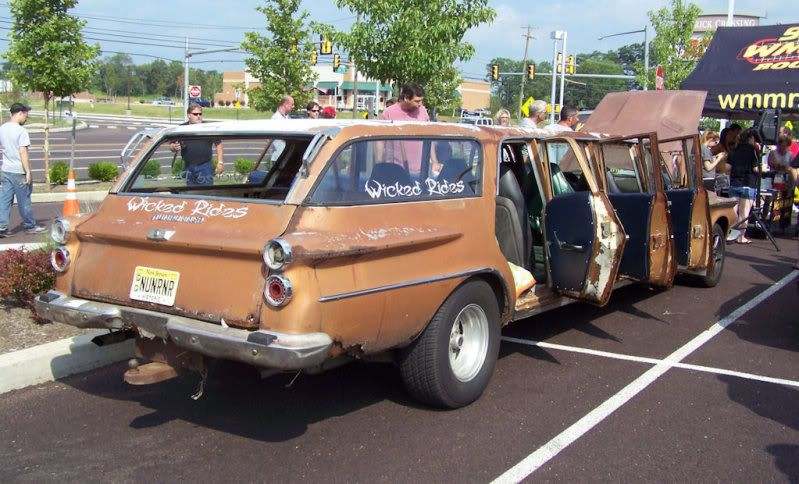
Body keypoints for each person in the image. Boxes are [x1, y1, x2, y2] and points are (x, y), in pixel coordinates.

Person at [0, 103, 46, 237]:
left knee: (5, 200)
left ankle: (1, 227)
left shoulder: (2, 128)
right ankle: (29, 225)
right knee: (24, 200)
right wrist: (28, 172)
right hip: (19, 171)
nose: (26, 118)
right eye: (26, 115)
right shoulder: (21, 131)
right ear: (20, 113)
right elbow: (23, 152)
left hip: (6, 169)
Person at [169, 103, 224, 186]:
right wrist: (173, 147)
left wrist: (220, 162)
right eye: (195, 114)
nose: (198, 116)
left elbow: (218, 144)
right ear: (189, 115)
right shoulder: (181, 128)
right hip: (188, 166)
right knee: (191, 192)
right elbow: (171, 145)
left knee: (206, 191)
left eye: (200, 114)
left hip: (205, 167)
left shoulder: (208, 127)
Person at [379, 83, 429, 172]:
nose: (420, 104)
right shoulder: (389, 113)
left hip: (420, 171)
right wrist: (379, 165)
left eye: (421, 100)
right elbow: (380, 142)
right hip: (394, 170)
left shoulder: (423, 111)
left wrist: (435, 161)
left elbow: (429, 138)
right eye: (417, 101)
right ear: (406, 98)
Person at [728, 128, 761, 244]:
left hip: (734, 183)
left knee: (733, 211)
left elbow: (727, 167)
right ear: (750, 138)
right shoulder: (752, 151)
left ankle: (729, 234)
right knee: (744, 213)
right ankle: (741, 237)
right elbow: (755, 168)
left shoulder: (734, 150)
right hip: (748, 184)